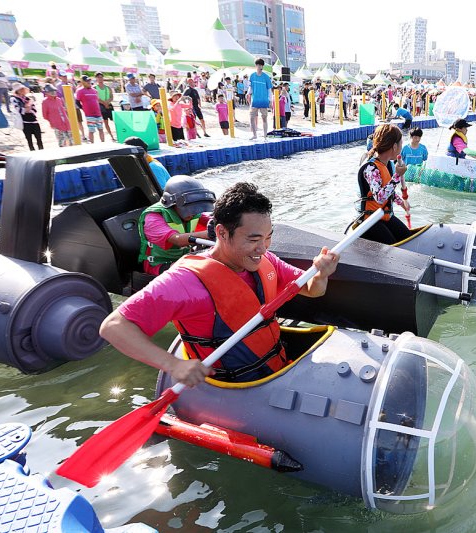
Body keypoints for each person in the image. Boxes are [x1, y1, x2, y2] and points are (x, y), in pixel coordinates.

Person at [101, 181, 340, 385]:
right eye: (254, 239)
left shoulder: (266, 260)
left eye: (268, 238)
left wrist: (321, 273)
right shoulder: (185, 281)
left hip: (276, 369)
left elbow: (313, 290)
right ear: (223, 233)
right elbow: (113, 326)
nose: (263, 248)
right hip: (235, 385)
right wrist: (172, 364)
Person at [137, 175, 214, 276]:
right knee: (196, 273)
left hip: (183, 258)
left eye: (195, 208)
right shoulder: (153, 217)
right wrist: (209, 233)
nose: (192, 213)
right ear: (171, 203)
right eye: (189, 208)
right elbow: (177, 240)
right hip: (158, 264)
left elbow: (214, 220)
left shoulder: (195, 213)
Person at [356, 124, 411, 245]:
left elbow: (388, 191)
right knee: (392, 244)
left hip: (384, 216)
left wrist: (402, 203)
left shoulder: (386, 165)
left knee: (407, 237)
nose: (401, 147)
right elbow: (380, 198)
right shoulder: (371, 168)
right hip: (370, 220)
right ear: (395, 146)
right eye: (401, 144)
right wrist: (397, 175)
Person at [11, 82, 43, 151]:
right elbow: (19, 110)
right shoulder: (14, 99)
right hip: (25, 122)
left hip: (34, 120)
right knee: (29, 140)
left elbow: (34, 109)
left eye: (23, 89)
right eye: (20, 89)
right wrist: (27, 108)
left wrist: (28, 108)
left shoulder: (28, 99)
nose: (22, 90)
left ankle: (42, 151)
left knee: (39, 139)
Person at [75, 75, 105, 144]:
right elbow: (77, 101)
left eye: (89, 80)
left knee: (101, 129)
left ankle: (103, 143)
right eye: (87, 81)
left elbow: (97, 100)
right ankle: (92, 144)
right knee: (91, 130)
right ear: (83, 82)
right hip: (89, 114)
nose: (89, 82)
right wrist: (83, 108)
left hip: (98, 113)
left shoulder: (94, 90)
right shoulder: (80, 91)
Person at [248, 58, 272, 140]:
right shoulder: (252, 76)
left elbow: (269, 90)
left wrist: (270, 100)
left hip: (264, 100)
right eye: (258, 65)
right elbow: (250, 87)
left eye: (261, 65)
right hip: (254, 100)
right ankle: (254, 134)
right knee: (251, 117)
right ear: (256, 65)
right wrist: (248, 94)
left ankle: (265, 135)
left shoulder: (266, 77)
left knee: (264, 117)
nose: (260, 67)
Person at [94, 72, 116, 142]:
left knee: (115, 120)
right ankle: (111, 136)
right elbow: (96, 98)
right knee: (106, 122)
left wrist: (107, 102)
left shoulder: (107, 88)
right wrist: (104, 103)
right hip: (101, 106)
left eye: (101, 77)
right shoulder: (95, 88)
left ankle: (117, 134)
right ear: (96, 78)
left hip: (108, 105)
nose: (100, 78)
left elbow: (111, 96)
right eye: (98, 77)